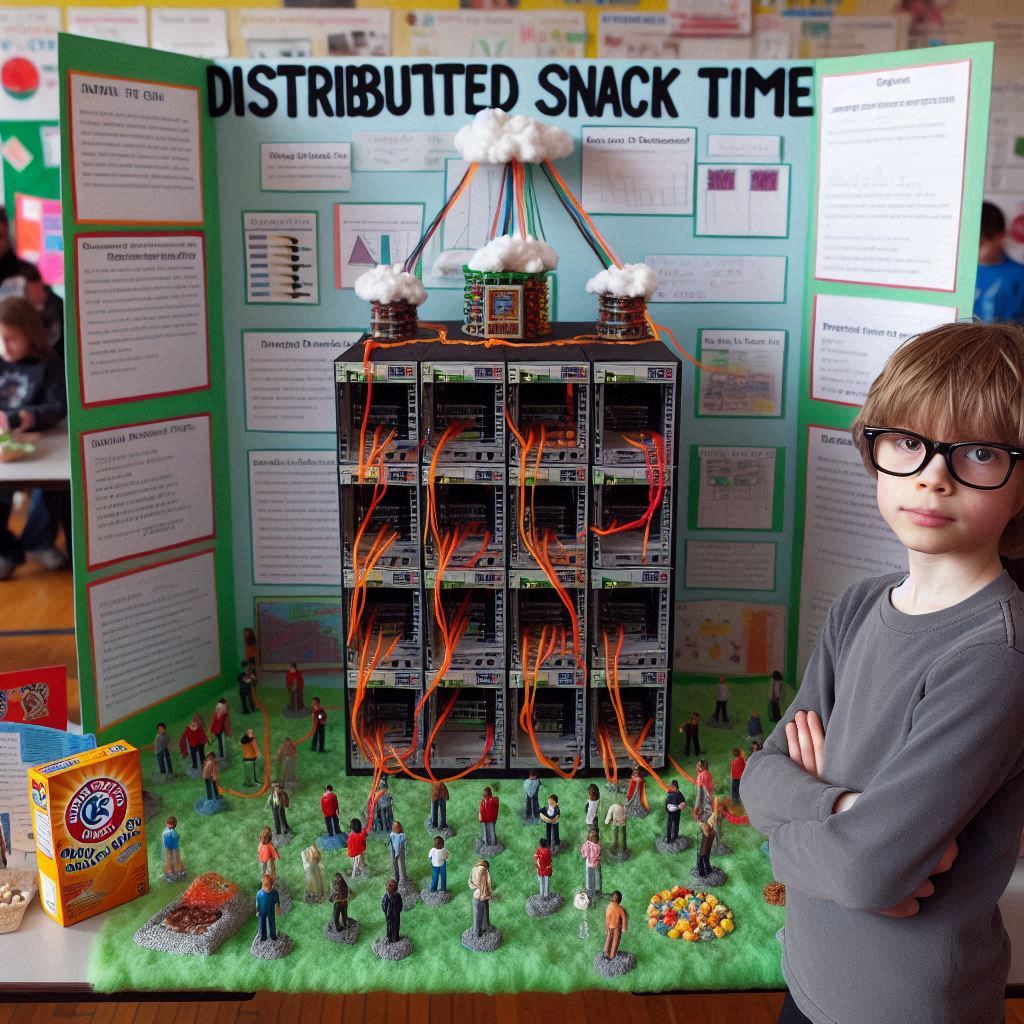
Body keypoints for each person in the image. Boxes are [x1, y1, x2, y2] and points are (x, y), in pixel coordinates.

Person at [741, 322, 1024, 1024]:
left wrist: (819, 838)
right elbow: (759, 778)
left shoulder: (996, 654)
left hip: (905, 1004)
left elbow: (866, 872)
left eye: (979, 453)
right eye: (908, 442)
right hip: (812, 974)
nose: (934, 474)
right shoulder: (859, 606)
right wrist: (844, 813)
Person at [0, 297, 68, 579]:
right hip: (6, 450)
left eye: (11, 339)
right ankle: (6, 550)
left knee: (51, 491)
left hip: (43, 447)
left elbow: (58, 406)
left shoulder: (49, 363)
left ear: (30, 333)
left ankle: (37, 541)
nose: (4, 347)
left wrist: (30, 416)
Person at [974, 201, 1024, 322]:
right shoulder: (959, 273)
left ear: (1001, 236)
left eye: (981, 245)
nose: (974, 250)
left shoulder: (1019, 275)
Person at [468, 858, 493, 936]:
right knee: (483, 914)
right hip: (483, 895)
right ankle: (482, 930)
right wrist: (489, 894)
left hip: (476, 894)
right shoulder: (484, 870)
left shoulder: (474, 868)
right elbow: (488, 883)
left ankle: (478, 930)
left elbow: (469, 882)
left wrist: (475, 887)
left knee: (477, 914)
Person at [603, 891, 627, 960]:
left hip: (613, 926)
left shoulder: (611, 906)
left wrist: (623, 927)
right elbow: (623, 917)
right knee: (614, 941)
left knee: (611, 940)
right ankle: (609, 954)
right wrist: (623, 928)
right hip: (615, 926)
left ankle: (608, 954)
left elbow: (623, 917)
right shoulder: (618, 907)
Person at [256, 875, 280, 942]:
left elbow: (277, 901)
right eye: (264, 884)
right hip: (262, 911)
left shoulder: (274, 893)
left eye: (266, 884)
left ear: (271, 885)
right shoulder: (259, 893)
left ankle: (273, 936)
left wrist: (278, 908)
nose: (265, 887)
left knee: (271, 922)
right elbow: (258, 902)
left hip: (270, 910)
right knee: (262, 923)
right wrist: (257, 910)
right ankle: (263, 936)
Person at [162, 816, 185, 882]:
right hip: (168, 848)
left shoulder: (173, 832)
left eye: (171, 824)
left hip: (174, 847)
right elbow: (166, 841)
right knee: (169, 859)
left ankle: (179, 870)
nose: (169, 825)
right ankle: (169, 873)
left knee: (176, 858)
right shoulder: (167, 832)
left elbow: (176, 838)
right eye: (169, 824)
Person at [580, 830, 602, 896]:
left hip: (589, 863)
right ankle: (597, 890)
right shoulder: (598, 846)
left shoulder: (586, 844)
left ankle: (589, 890)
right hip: (596, 863)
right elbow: (599, 856)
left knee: (589, 877)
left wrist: (582, 854)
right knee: (596, 877)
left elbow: (585, 854)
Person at [381, 878, 403, 943]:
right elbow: (383, 905)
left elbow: (400, 905)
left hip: (396, 916)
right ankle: (390, 938)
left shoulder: (397, 896)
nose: (389, 892)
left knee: (396, 928)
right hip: (389, 917)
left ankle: (395, 939)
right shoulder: (386, 897)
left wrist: (397, 912)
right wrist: (386, 912)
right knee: (389, 927)